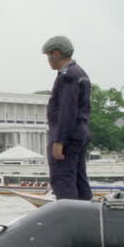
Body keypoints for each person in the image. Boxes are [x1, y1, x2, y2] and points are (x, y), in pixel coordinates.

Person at [43, 35, 93, 201]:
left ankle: (72, 222)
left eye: (48, 56)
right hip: (80, 133)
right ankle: (87, 219)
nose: (48, 61)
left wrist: (59, 141)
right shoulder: (81, 73)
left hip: (67, 137)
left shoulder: (67, 75)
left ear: (56, 53)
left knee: (63, 180)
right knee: (79, 180)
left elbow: (67, 110)